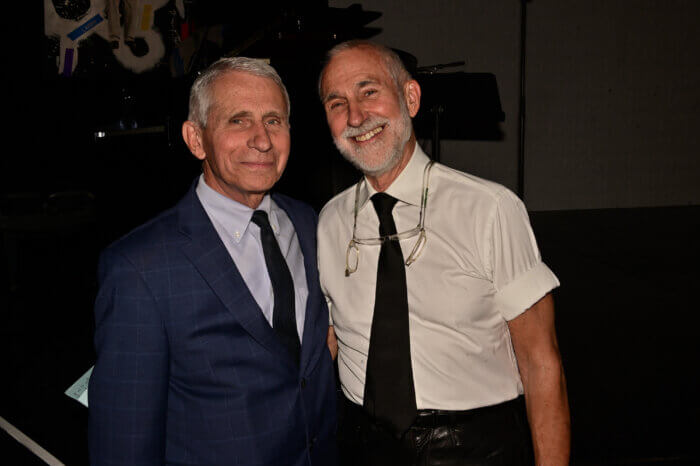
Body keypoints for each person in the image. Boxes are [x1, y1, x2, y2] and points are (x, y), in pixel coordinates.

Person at [317, 40, 570, 465]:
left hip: (475, 448)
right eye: (336, 102)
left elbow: (541, 363)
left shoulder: (489, 209)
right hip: (363, 446)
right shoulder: (329, 220)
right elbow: (331, 340)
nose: (356, 117)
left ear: (410, 98)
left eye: (369, 92)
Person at [88, 57, 338, 466]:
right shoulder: (139, 268)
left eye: (274, 120)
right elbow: (124, 443)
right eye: (239, 121)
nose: (262, 140)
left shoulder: (311, 223)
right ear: (196, 139)